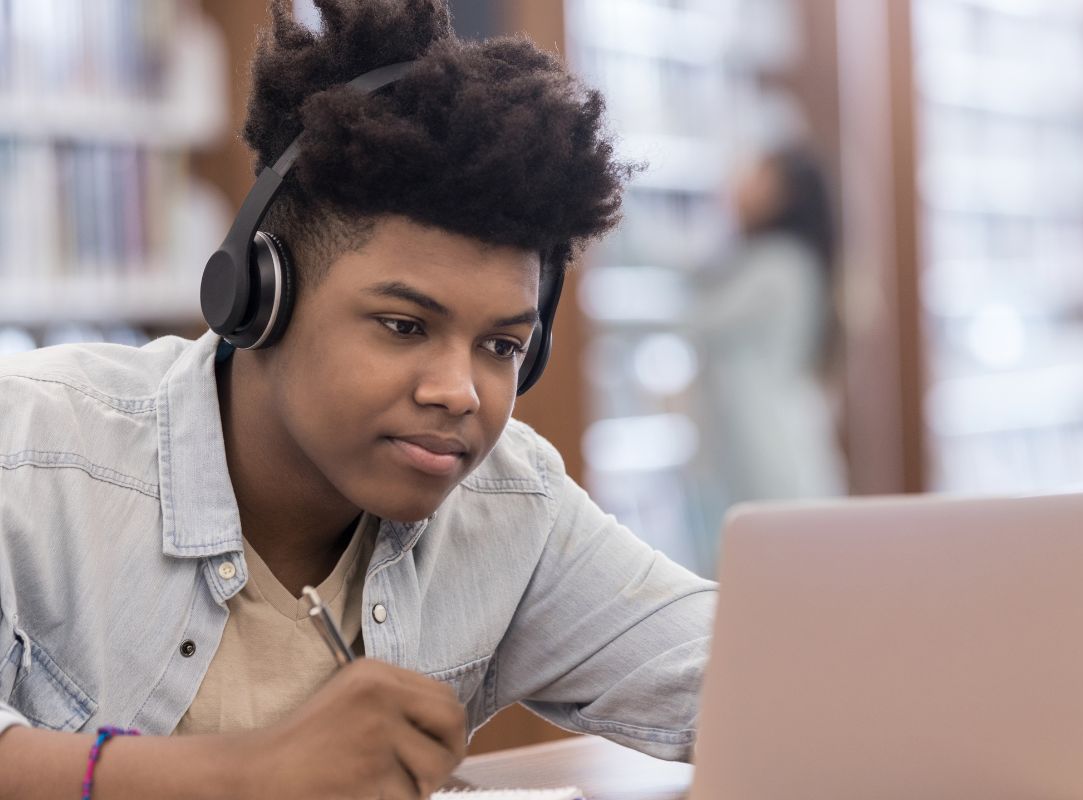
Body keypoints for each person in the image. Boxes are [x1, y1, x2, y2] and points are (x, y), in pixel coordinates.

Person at [0, 2, 716, 798]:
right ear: (261, 296)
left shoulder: (511, 505)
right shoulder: (32, 453)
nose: (458, 393)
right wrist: (248, 775)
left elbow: (736, 675)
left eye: (502, 347)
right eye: (404, 325)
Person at [689, 147, 846, 533]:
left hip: (764, 433)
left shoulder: (778, 265)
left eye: (758, 175)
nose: (740, 181)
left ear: (783, 195)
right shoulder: (771, 259)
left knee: (775, 539)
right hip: (763, 426)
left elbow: (697, 320)